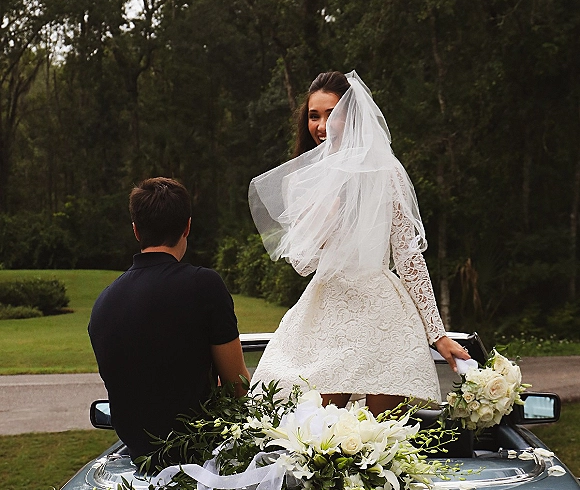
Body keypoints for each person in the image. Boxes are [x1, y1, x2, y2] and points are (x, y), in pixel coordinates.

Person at [248, 70, 469, 415]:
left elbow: (408, 257)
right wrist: (327, 208)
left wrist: (437, 334)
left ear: (351, 116)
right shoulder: (302, 182)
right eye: (313, 116)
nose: (320, 126)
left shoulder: (386, 172)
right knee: (313, 436)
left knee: (380, 440)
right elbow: (303, 264)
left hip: (382, 315)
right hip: (327, 310)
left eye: (331, 115)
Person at [89, 177, 250, 463]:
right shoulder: (204, 285)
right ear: (187, 226)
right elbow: (237, 386)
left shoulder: (103, 303)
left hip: (138, 466)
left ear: (137, 230)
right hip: (203, 463)